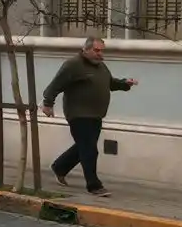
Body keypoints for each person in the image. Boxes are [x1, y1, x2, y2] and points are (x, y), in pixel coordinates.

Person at [41, 36, 138, 197]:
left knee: (84, 146)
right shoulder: (73, 65)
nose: (100, 54)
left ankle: (60, 167)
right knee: (89, 149)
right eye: (96, 50)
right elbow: (55, 85)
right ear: (86, 50)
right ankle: (94, 185)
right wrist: (47, 103)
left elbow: (110, 83)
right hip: (78, 114)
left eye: (102, 51)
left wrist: (125, 83)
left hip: (96, 115)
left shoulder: (101, 67)